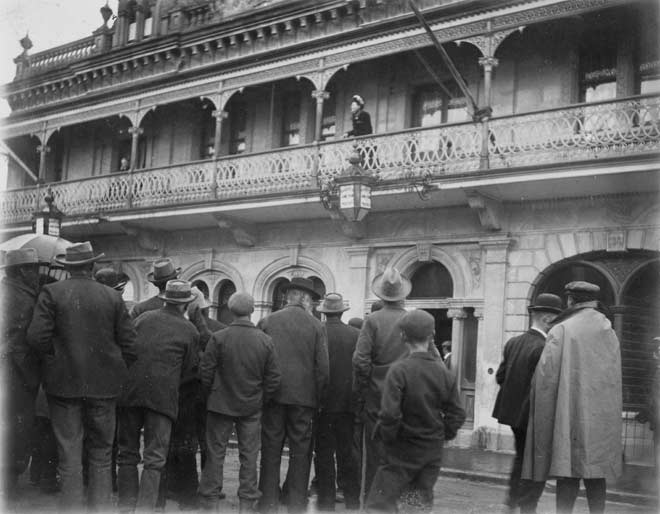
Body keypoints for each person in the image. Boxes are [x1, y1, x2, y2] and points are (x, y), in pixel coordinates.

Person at [27, 241, 137, 511]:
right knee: (101, 454)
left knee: (70, 455)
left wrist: (54, 361)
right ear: (91, 266)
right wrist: (114, 370)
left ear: (68, 267)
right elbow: (131, 345)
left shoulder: (51, 292)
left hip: (63, 386)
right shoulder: (112, 297)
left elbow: (35, 337)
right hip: (104, 388)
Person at [522, 281, 622, 514]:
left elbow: (545, 381)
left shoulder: (561, 329)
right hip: (599, 420)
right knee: (596, 474)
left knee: (568, 473)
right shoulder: (608, 329)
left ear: (570, 300)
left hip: (570, 414)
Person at [366, 309, 466, 512]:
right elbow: (457, 414)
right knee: (417, 506)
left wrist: (390, 440)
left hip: (401, 450)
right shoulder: (443, 373)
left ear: (403, 336)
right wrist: (440, 435)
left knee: (380, 506)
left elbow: (389, 414)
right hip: (431, 451)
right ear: (431, 337)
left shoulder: (399, 371)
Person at [116, 279, 197, 512]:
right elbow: (190, 369)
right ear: (185, 304)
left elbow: (127, 347)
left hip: (130, 393)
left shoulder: (143, 318)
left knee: (127, 453)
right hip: (162, 398)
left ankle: (125, 506)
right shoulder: (189, 329)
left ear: (165, 299)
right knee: (155, 458)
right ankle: (145, 508)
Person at [198, 292, 281, 513]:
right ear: (252, 310)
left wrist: (212, 394)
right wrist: (261, 399)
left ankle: (211, 504)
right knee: (249, 456)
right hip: (251, 406)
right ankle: (246, 505)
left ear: (231, 309)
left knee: (215, 454)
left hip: (220, 404)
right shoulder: (265, 341)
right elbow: (273, 378)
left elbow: (206, 372)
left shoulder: (219, 337)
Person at [257, 277, 329, 513]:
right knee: (300, 451)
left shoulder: (267, 321)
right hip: (304, 400)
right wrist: (318, 399)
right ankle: (296, 503)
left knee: (270, 448)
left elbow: (260, 361)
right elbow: (322, 369)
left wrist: (263, 393)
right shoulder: (317, 326)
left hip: (273, 397)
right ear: (306, 299)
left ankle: (267, 501)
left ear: (288, 297)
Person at [492, 293, 563, 513]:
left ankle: (511, 502)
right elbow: (545, 388)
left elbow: (500, 377)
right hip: (533, 416)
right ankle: (527, 506)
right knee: (535, 464)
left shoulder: (514, 342)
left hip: (513, 415)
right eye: (557, 320)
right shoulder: (544, 346)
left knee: (521, 458)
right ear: (547, 319)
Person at [353, 267, 411, 503]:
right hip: (407, 401)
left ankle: (372, 505)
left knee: (375, 458)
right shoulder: (413, 321)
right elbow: (433, 361)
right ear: (402, 295)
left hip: (377, 399)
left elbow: (360, 360)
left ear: (381, 295)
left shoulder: (372, 321)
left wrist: (367, 385)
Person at [0, 248, 42, 494]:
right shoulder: (25, 298)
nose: (37, 274)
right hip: (18, 372)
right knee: (17, 425)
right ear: (22, 271)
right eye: (34, 269)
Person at [315, 293, 360, 511]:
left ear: (324, 313)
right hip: (348, 405)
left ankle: (326, 501)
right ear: (342, 312)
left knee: (323, 452)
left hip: (322, 404)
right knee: (347, 452)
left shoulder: (317, 332)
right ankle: (352, 499)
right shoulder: (356, 335)